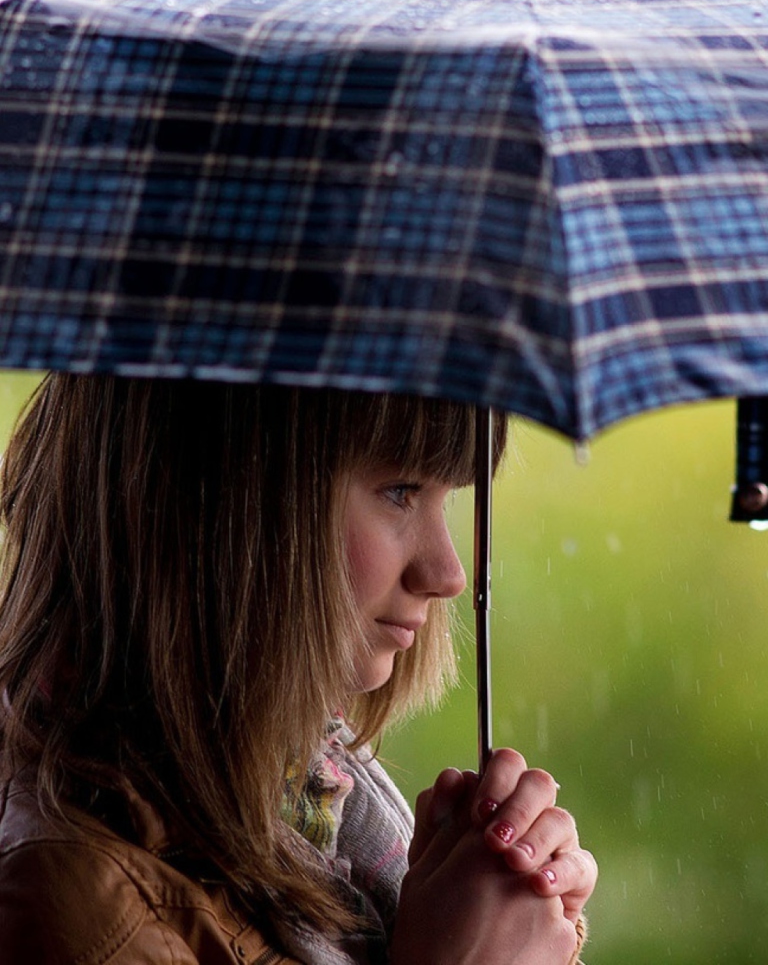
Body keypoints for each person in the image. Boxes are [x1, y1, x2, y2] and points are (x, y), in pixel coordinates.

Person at [0, 375, 596, 964]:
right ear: (228, 498)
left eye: (449, 498)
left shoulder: (320, 810)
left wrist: (516, 924)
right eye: (400, 490)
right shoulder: (77, 915)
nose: (447, 573)